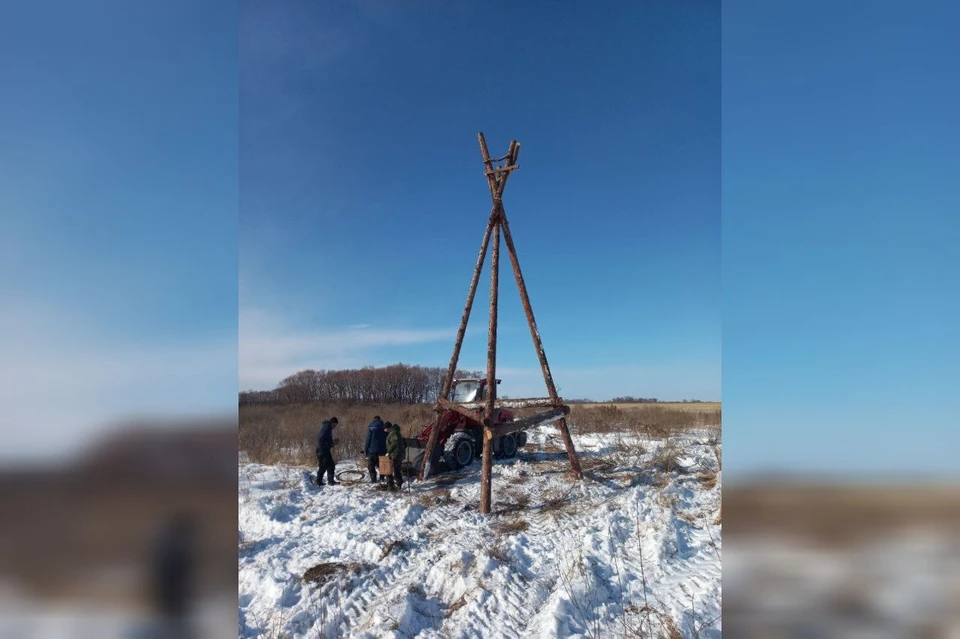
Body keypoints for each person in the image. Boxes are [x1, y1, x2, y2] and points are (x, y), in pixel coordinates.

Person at [316, 416, 340, 486]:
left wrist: (332, 443)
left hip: (325, 449)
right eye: (334, 425)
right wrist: (332, 443)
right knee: (323, 466)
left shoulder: (328, 428)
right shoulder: (326, 428)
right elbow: (321, 439)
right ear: (332, 423)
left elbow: (325, 440)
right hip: (322, 450)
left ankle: (331, 481)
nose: (335, 427)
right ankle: (318, 481)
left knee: (331, 465)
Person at [363, 415, 387, 483]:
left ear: (374, 420)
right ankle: (382, 478)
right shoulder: (384, 427)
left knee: (371, 466)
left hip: (372, 450)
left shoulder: (371, 427)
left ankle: (373, 479)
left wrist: (366, 449)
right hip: (382, 450)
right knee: (381, 465)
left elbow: (368, 440)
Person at [385, 422, 406, 492]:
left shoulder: (393, 433)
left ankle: (392, 486)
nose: (385, 430)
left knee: (392, 469)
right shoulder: (394, 432)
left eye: (385, 429)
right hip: (398, 454)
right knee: (397, 470)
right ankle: (398, 485)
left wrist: (388, 452)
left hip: (397, 454)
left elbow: (395, 443)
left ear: (388, 428)